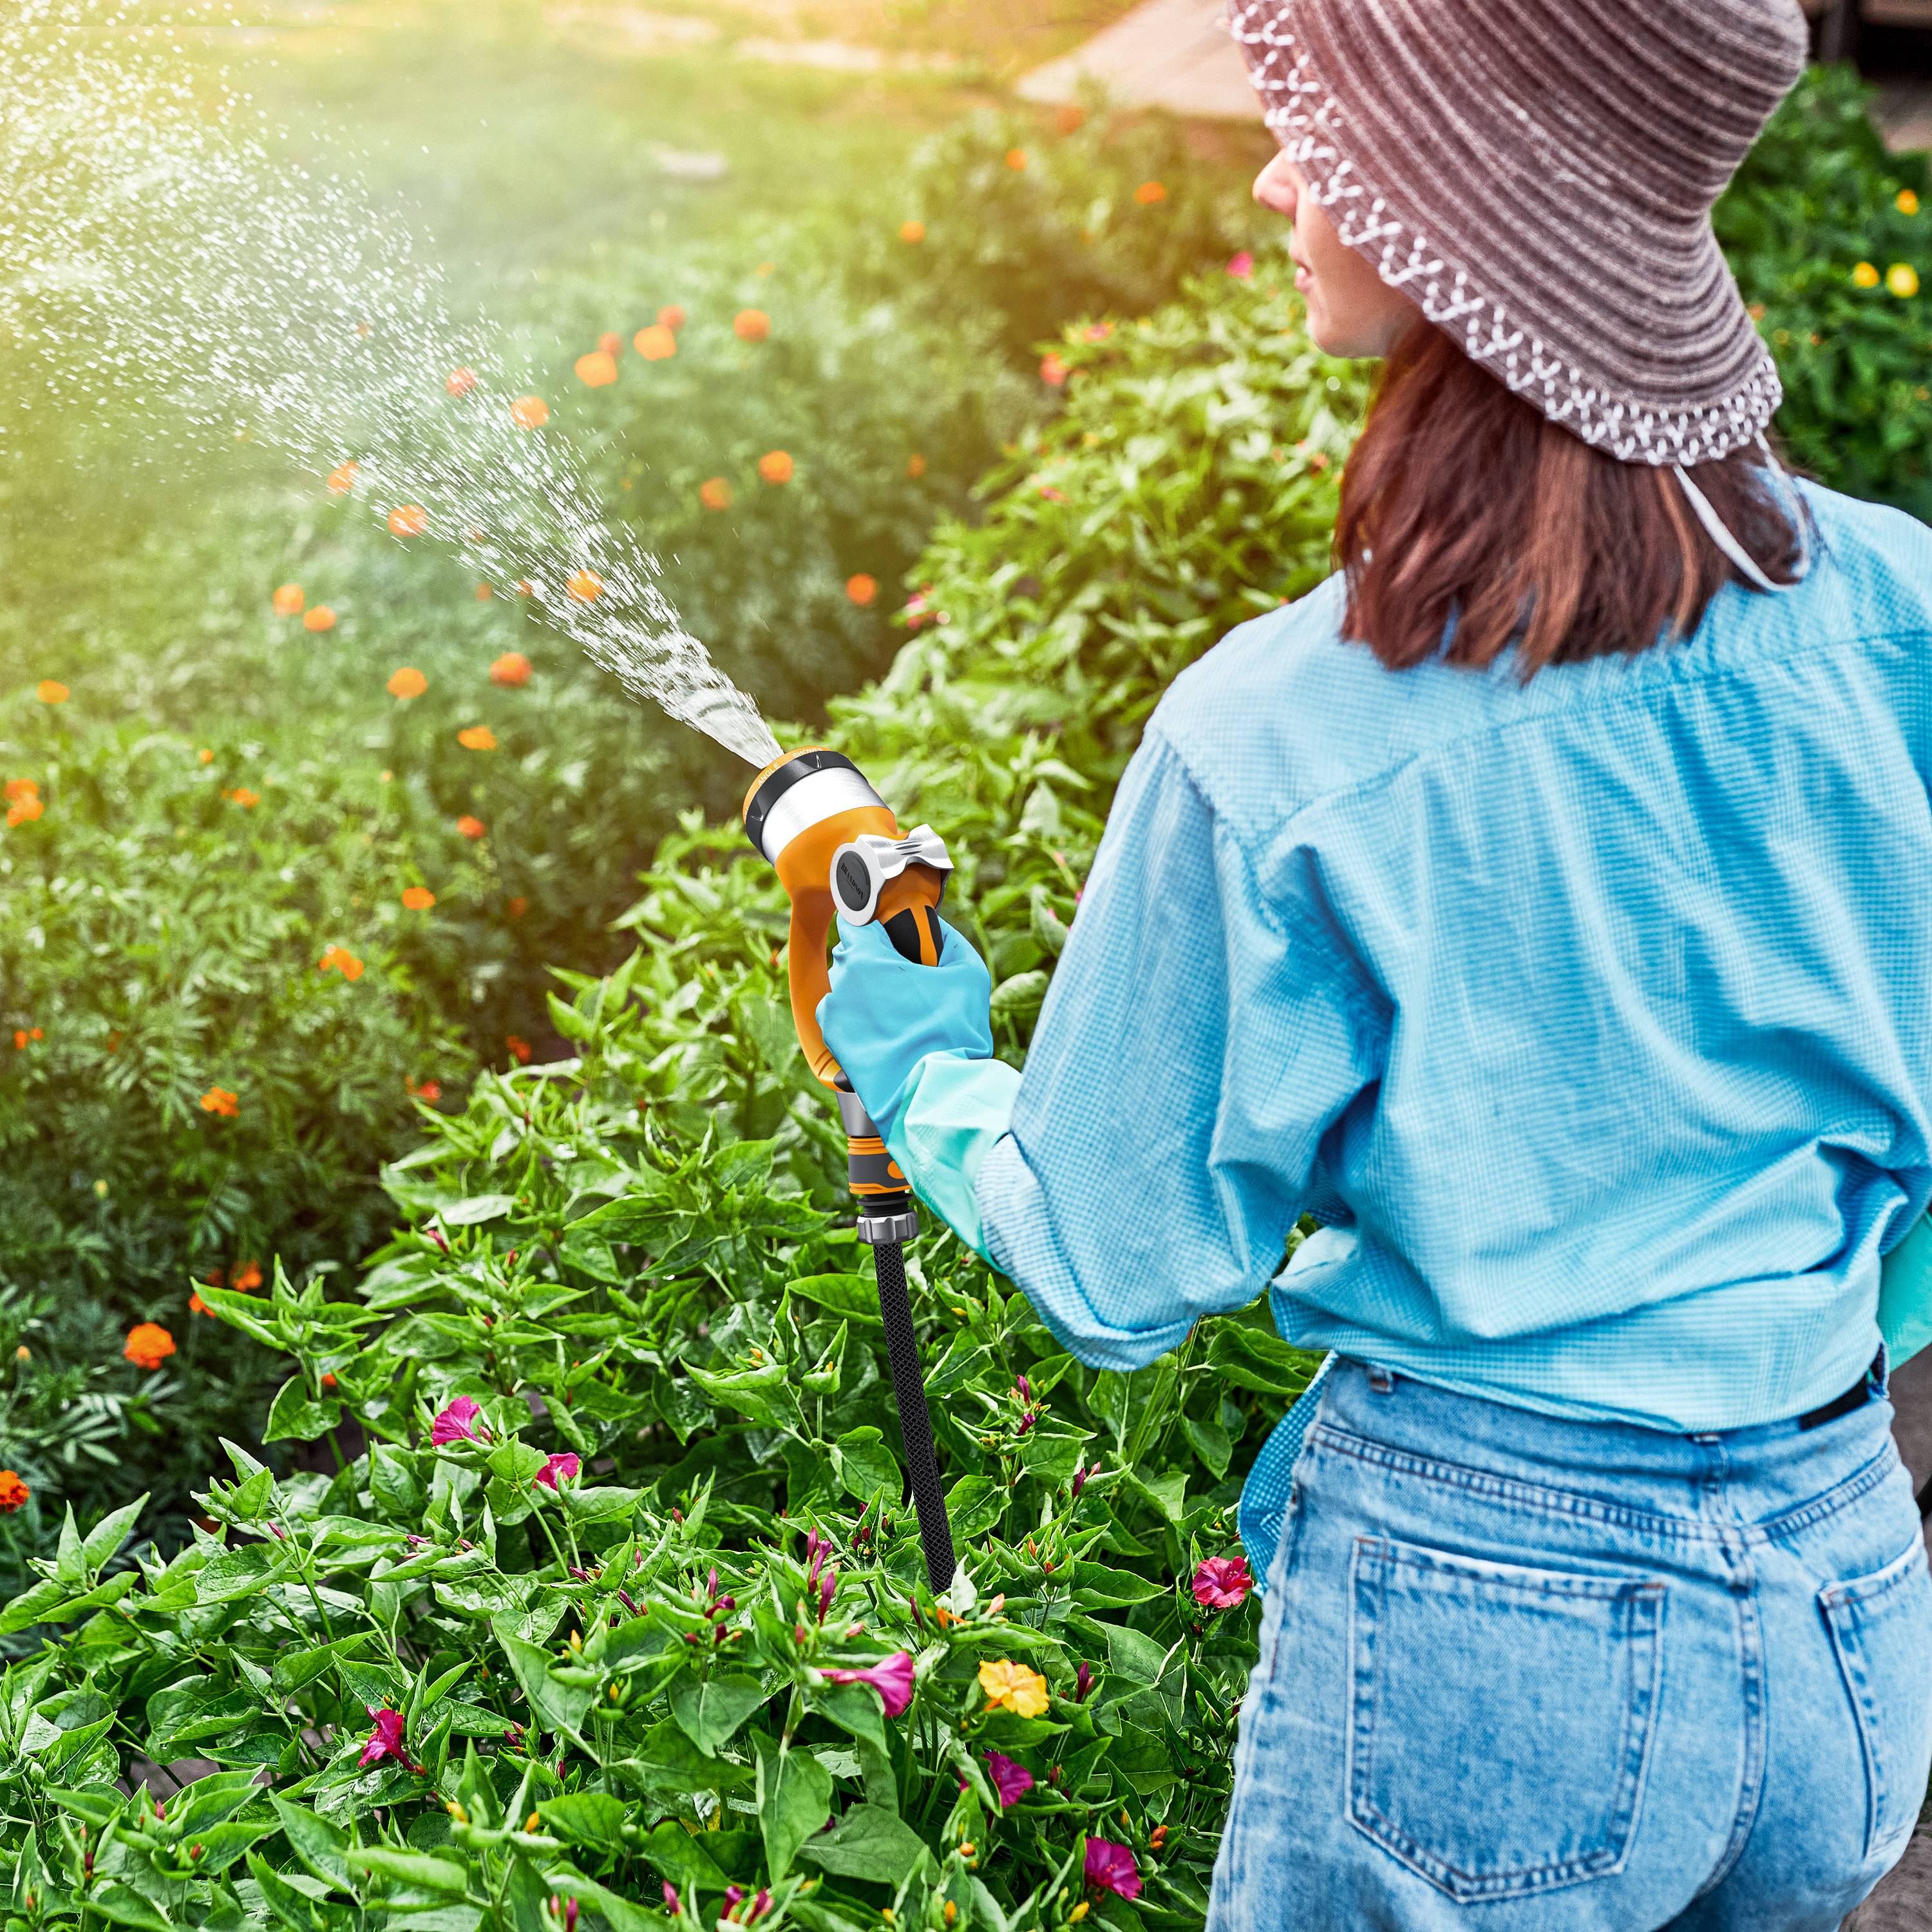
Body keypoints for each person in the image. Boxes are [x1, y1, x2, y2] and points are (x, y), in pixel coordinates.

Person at [819, 0, 1932, 1925]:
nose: (1272, 175)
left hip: (1490, 1643)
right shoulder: (1901, 610)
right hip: (1850, 1593)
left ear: (1447, 215)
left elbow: (1113, 1258)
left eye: (1318, 137)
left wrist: (924, 1070)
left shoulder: (1285, 736)